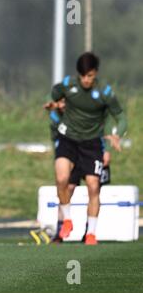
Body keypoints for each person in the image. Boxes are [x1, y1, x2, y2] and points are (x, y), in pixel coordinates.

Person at [43, 52, 127, 245]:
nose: (85, 80)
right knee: (62, 179)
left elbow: (120, 116)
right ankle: (67, 221)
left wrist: (117, 134)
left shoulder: (104, 93)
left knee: (93, 186)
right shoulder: (69, 84)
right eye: (82, 76)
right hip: (68, 139)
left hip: (92, 144)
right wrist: (49, 103)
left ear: (95, 73)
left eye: (89, 76)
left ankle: (91, 234)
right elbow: (52, 94)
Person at [46, 100, 114, 243]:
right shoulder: (57, 116)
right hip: (72, 152)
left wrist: (107, 150)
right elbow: (56, 134)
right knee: (66, 187)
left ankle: (90, 233)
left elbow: (106, 126)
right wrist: (56, 110)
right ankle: (61, 229)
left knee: (93, 187)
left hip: (92, 150)